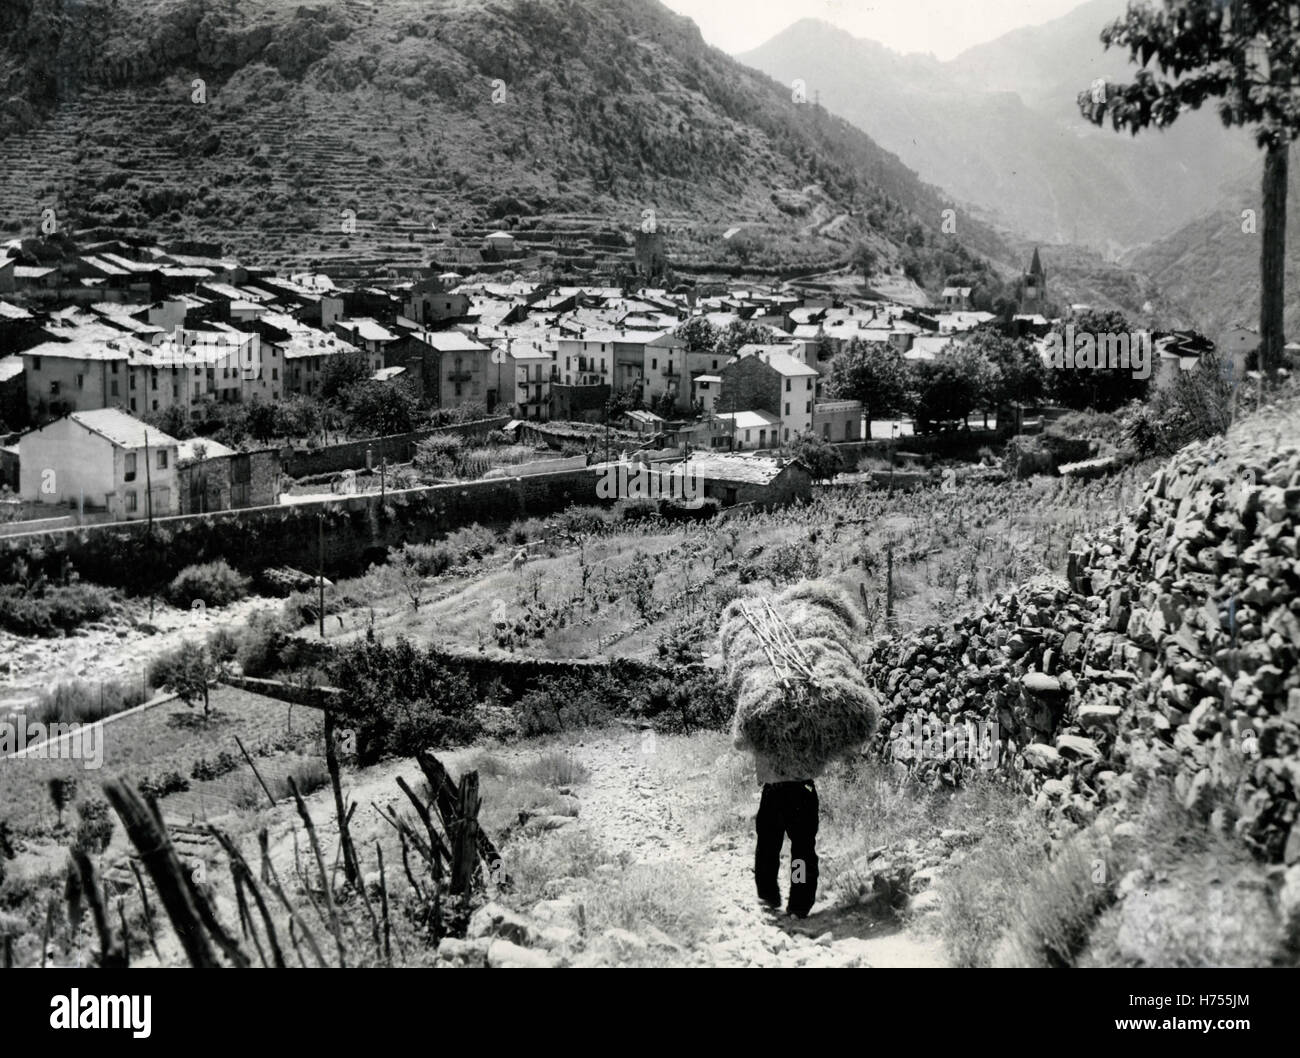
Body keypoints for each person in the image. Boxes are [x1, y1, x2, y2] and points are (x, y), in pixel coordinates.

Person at [750, 748, 820, 918]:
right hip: (801, 789)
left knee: (769, 847)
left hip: (776, 788)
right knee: (800, 852)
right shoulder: (808, 726)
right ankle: (798, 903)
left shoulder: (764, 727)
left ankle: (770, 897)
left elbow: (740, 743)